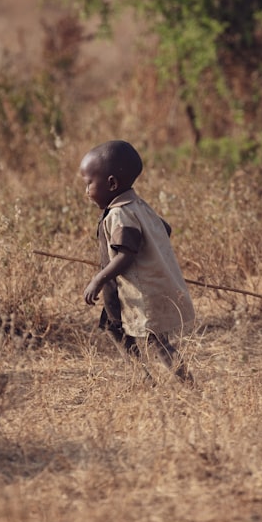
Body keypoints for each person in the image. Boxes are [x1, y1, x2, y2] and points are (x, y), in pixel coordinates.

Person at [79, 140, 195, 385]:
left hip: (136, 291)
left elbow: (126, 255)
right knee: (117, 328)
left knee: (153, 340)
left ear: (111, 183)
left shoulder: (120, 213)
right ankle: (145, 377)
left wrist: (98, 279)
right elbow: (164, 229)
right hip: (124, 289)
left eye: (89, 183)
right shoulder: (139, 205)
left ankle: (180, 382)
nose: (86, 191)